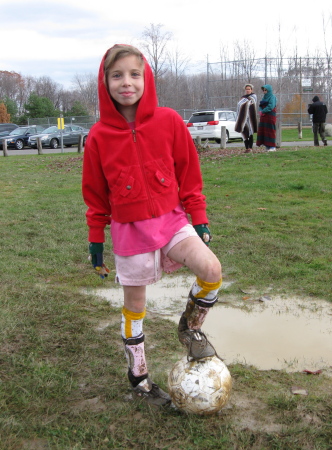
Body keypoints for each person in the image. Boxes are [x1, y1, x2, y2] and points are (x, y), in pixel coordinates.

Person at [82, 44, 222, 407]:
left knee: (211, 269)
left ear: (146, 79)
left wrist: (199, 215)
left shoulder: (169, 121)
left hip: (171, 221)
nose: (126, 82)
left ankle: (190, 328)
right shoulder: (98, 136)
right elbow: (95, 195)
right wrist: (96, 239)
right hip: (130, 233)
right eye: (117, 75)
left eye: (134, 74)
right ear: (105, 82)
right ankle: (139, 378)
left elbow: (189, 174)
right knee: (135, 307)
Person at [235, 83, 258, 153]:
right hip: (243, 118)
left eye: (249, 89)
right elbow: (240, 105)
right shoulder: (243, 98)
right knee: (244, 131)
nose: (247, 90)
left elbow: (251, 103)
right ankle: (246, 147)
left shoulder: (253, 96)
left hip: (250, 117)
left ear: (251, 90)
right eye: (246, 89)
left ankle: (250, 147)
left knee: (250, 132)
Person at [256, 84, 277, 151]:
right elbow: (260, 105)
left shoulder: (272, 97)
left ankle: (272, 147)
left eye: (265, 90)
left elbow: (271, 106)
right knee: (264, 131)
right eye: (263, 90)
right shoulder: (264, 97)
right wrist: (260, 111)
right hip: (263, 116)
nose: (264, 91)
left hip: (270, 116)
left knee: (270, 130)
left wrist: (263, 111)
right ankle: (267, 146)